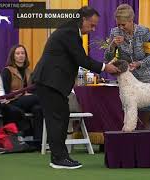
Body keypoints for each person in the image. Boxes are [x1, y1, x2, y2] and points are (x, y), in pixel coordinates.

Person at [32, 6, 120, 169]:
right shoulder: (69, 32)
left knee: (61, 117)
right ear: (83, 19)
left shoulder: (70, 30)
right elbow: (81, 59)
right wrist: (104, 67)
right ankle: (58, 159)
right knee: (57, 120)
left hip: (52, 82)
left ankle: (61, 156)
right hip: (50, 82)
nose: (92, 29)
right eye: (91, 25)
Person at [104, 4, 150, 130]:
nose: (120, 27)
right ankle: (134, 145)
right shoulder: (115, 32)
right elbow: (107, 59)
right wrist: (112, 45)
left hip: (148, 77)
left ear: (131, 20)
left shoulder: (144, 31)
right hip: (129, 80)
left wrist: (139, 63)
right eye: (118, 24)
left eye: (123, 24)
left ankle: (148, 146)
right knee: (130, 112)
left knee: (147, 116)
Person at [2, 45, 43, 143]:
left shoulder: (29, 71)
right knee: (39, 98)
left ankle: (38, 141)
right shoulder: (7, 71)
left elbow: (33, 89)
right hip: (12, 101)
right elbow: (6, 93)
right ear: (13, 56)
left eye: (23, 53)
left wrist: (28, 94)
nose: (21, 55)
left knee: (38, 108)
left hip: (28, 101)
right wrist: (22, 94)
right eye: (18, 53)